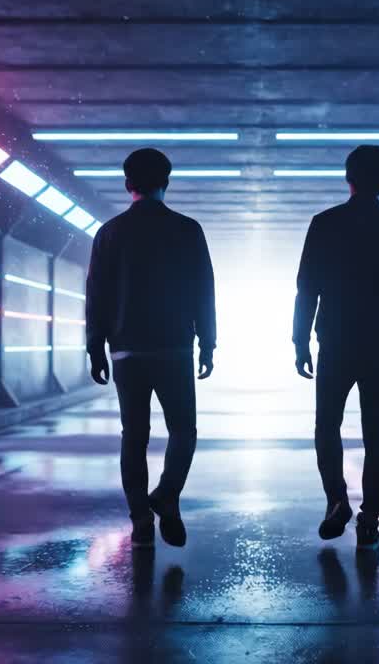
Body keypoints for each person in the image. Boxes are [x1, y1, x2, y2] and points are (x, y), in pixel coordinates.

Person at [292, 145, 379, 550]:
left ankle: (337, 499)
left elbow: (307, 288)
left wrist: (300, 340)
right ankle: (370, 520)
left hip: (336, 340)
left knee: (327, 425)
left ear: (347, 178)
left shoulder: (325, 224)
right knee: (377, 432)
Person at [85, 148, 217, 549]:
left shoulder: (109, 233)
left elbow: (97, 293)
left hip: (126, 350)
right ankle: (167, 494)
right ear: (167, 183)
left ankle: (141, 522)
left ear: (128, 184)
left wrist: (95, 346)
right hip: (174, 347)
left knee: (134, 436)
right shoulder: (187, 230)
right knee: (183, 430)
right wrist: (207, 342)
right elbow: (203, 290)